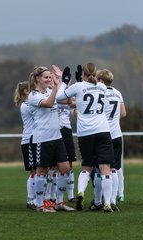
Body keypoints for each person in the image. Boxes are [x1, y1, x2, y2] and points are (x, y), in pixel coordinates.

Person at [56, 63, 115, 213]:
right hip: (102, 130)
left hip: (85, 133)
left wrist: (64, 82)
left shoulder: (78, 86)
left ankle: (81, 192)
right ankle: (107, 203)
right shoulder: (102, 87)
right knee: (105, 168)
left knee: (86, 167)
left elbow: (58, 98)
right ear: (96, 74)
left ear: (82, 74)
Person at [28, 66, 74, 212]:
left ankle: (59, 202)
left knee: (66, 168)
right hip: (42, 138)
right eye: (46, 77)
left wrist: (63, 82)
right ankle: (40, 204)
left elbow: (67, 101)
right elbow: (48, 104)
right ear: (37, 79)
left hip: (57, 137)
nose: (49, 79)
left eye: (50, 77)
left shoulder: (50, 91)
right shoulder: (33, 95)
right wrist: (56, 88)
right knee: (42, 171)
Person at [96, 69, 127, 211]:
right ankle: (113, 200)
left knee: (102, 169)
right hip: (117, 134)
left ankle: (101, 200)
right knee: (114, 168)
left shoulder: (99, 92)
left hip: (103, 133)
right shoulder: (117, 92)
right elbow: (123, 113)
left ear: (101, 81)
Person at [14, 81, 36, 209]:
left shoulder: (31, 103)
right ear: (26, 92)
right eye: (31, 89)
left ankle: (39, 198)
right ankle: (30, 199)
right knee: (33, 171)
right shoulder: (26, 105)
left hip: (36, 139)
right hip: (28, 140)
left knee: (39, 171)